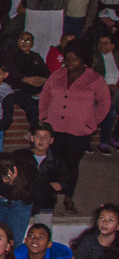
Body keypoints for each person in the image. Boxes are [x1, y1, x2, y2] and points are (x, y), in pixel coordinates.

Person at [39, 39, 111, 213]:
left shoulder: (95, 79)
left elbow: (105, 102)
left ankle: (68, 198)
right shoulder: (57, 76)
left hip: (79, 131)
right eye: (67, 59)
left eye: (74, 60)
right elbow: (45, 97)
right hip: (55, 128)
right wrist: (44, 118)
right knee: (52, 163)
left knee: (71, 165)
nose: (69, 63)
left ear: (83, 59)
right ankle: (49, 196)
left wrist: (93, 122)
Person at [0, 154, 37, 252]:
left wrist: (13, 183)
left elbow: (31, 197)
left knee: (15, 242)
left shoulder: (28, 171)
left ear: (15, 170)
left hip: (19, 206)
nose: (4, 180)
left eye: (7, 177)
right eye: (2, 177)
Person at [4, 32, 48, 133]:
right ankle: (36, 132)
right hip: (18, 90)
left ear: (32, 43)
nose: (24, 43)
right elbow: (11, 72)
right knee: (32, 107)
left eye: (28, 40)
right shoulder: (11, 56)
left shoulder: (36, 57)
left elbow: (45, 72)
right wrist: (25, 79)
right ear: (18, 42)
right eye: (22, 40)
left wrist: (43, 80)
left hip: (37, 90)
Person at [94, 32, 118, 154]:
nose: (102, 46)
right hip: (101, 92)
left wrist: (116, 86)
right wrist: (107, 88)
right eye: (100, 43)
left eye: (106, 43)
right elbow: (94, 77)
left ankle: (115, 139)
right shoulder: (95, 57)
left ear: (112, 46)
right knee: (111, 113)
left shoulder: (117, 56)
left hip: (116, 90)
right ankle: (103, 143)